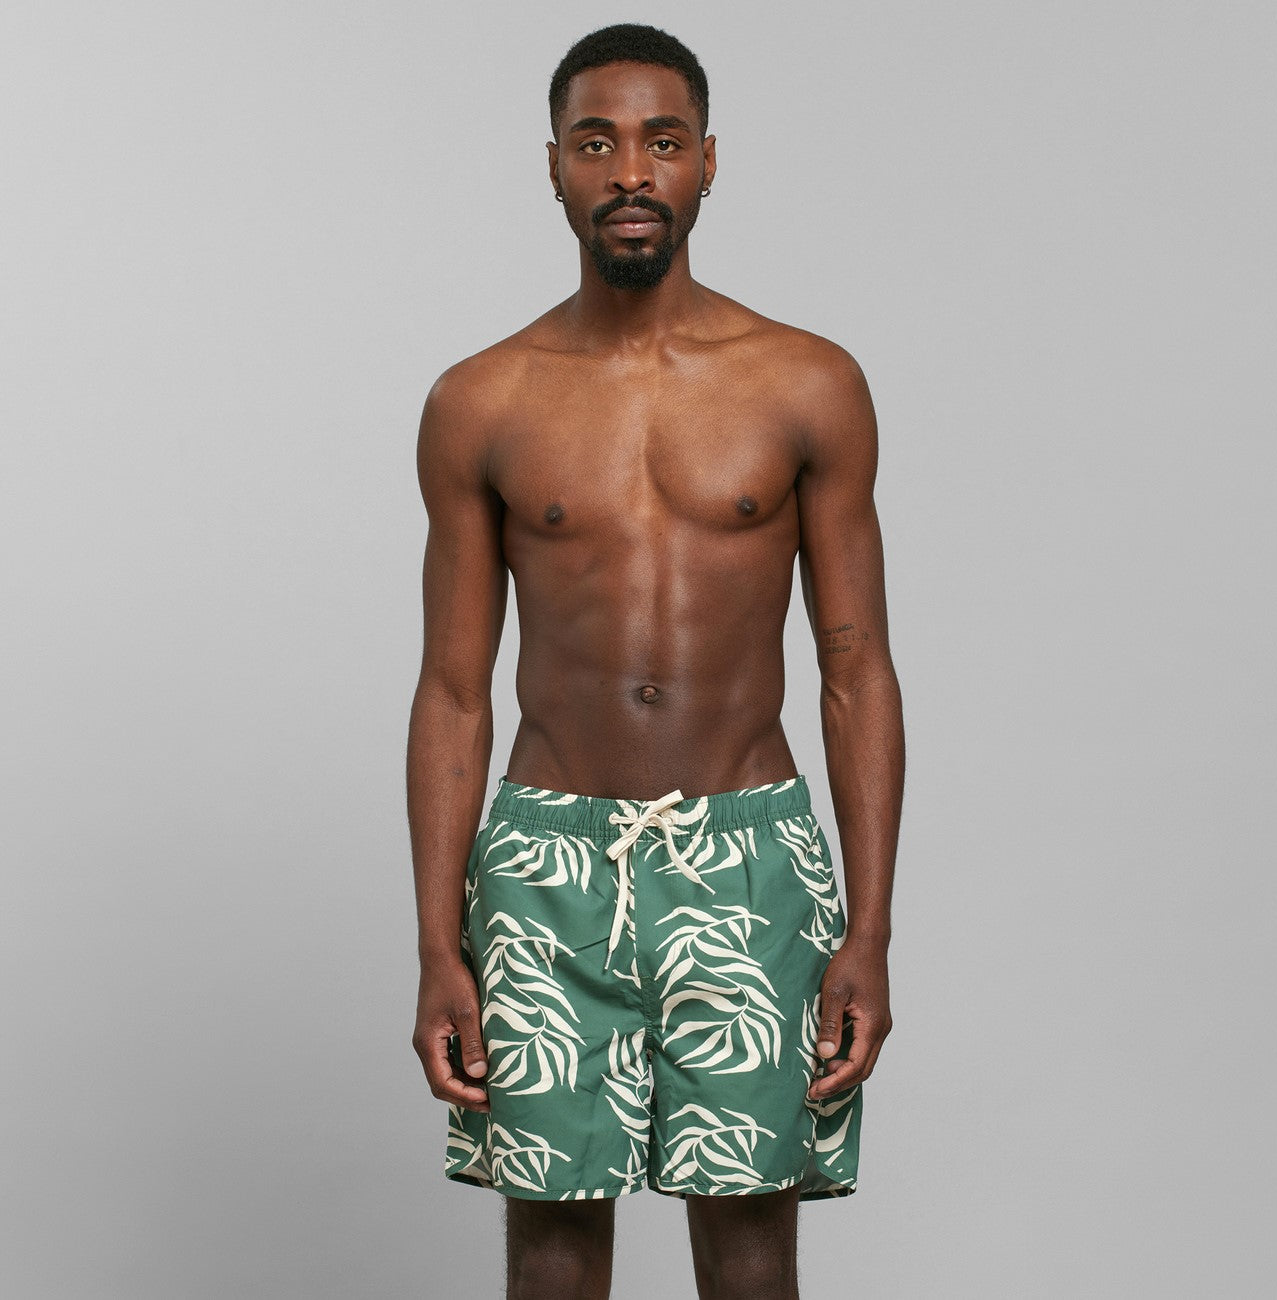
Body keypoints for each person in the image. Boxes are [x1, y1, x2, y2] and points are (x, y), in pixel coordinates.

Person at [408, 22, 905, 1300]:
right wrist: (436, 946)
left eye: (662, 141)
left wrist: (868, 930)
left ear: (707, 163)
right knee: (552, 1254)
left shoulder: (805, 383)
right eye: (596, 142)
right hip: (543, 865)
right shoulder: (482, 399)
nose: (631, 170)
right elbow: (454, 691)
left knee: (748, 1250)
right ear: (554, 167)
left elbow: (856, 669)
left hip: (748, 856)